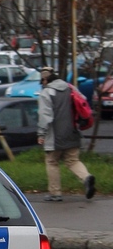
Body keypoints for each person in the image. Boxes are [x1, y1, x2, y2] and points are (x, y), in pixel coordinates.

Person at [37, 66, 95, 201]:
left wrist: (41, 134)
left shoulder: (46, 93)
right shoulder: (70, 88)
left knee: (52, 162)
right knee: (72, 160)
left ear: (45, 79)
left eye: (42, 81)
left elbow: (45, 116)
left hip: (55, 135)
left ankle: (55, 193)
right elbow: (83, 101)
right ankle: (86, 177)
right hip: (73, 132)